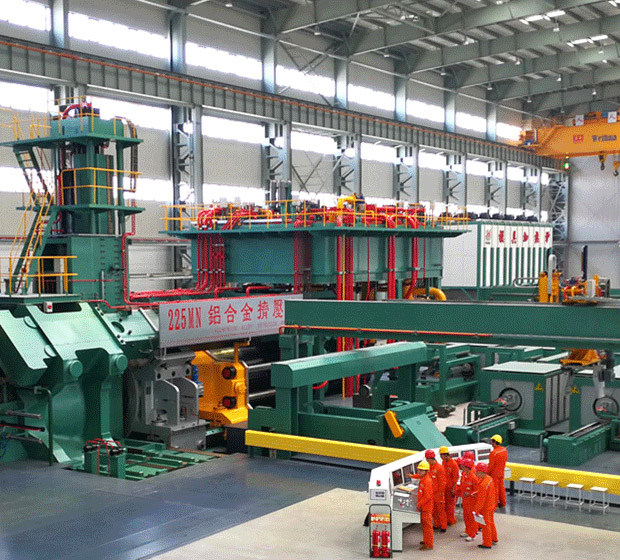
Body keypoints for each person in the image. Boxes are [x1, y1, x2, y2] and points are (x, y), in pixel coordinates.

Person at [472, 462, 498, 549]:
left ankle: (487, 543)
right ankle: (494, 538)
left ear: (480, 472)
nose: (475, 474)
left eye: (476, 472)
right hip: (491, 505)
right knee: (491, 523)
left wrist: (477, 510)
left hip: (485, 507)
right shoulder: (489, 479)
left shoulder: (483, 484)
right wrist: (477, 492)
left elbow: (481, 500)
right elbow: (487, 492)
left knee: (485, 525)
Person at [425, 449, 447, 531]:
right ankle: (437, 524)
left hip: (438, 493)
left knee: (441, 510)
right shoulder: (429, 467)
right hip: (431, 493)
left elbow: (442, 482)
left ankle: (443, 526)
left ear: (431, 458)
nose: (427, 461)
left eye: (427, 459)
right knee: (434, 510)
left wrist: (441, 493)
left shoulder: (439, 468)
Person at [458, 458, 479, 542]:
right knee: (466, 516)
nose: (461, 467)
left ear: (467, 467)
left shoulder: (474, 477)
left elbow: (477, 491)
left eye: (463, 466)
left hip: (472, 501)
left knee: (471, 517)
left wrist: (470, 494)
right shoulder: (464, 475)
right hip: (465, 500)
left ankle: (472, 534)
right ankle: (467, 530)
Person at [416, 460, 434, 551]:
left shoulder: (427, 481)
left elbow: (427, 496)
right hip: (424, 506)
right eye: (419, 470)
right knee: (424, 525)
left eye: (421, 470)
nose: (419, 472)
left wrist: (419, 505)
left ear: (426, 471)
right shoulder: (423, 479)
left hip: (426, 507)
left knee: (427, 526)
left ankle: (429, 544)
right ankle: (426, 540)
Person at [439, 446, 459, 526]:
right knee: (445, 505)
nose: (441, 457)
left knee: (450, 506)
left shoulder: (454, 464)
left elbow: (455, 478)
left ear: (446, 454)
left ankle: (451, 521)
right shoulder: (444, 462)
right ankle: (446, 520)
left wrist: (453, 489)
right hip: (445, 487)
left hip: (451, 487)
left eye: (441, 455)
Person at [487, 434, 508, 508]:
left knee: (495, 490)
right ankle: (503, 503)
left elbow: (491, 466)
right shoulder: (504, 450)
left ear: (494, 442)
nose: (491, 444)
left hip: (494, 474)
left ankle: (495, 505)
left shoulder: (493, 453)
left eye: (492, 442)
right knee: (501, 488)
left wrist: (486, 473)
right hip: (501, 473)